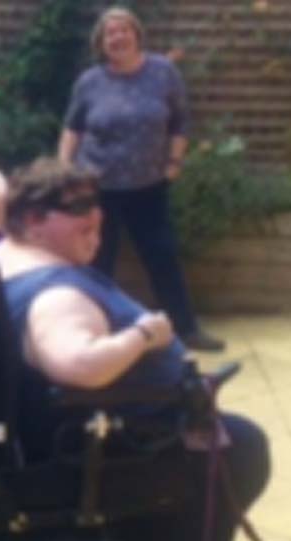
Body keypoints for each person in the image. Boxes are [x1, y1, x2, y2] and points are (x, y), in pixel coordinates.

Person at [0, 157, 268, 541]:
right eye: (78, 209)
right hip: (123, 435)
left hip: (80, 424)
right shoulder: (56, 293)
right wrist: (145, 335)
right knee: (246, 444)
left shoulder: (2, 256)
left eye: (95, 203)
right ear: (32, 221)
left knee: (231, 434)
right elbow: (78, 364)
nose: (95, 215)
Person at [58, 6, 224, 352]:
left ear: (137, 34)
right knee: (98, 261)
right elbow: (72, 129)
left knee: (162, 257)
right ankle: (96, 331)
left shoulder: (163, 72)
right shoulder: (90, 82)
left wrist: (174, 162)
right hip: (97, 187)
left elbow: (180, 121)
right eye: (110, 34)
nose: (117, 37)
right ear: (101, 43)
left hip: (149, 186)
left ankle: (186, 329)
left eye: (123, 31)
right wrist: (63, 172)